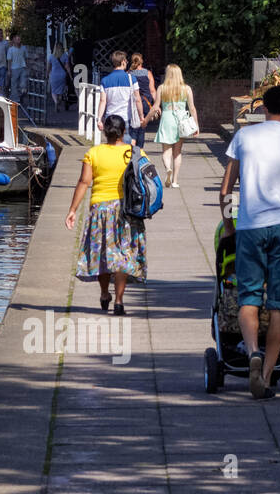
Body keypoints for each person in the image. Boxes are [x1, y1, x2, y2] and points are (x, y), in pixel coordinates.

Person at [220, 85, 280, 400]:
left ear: (262, 109)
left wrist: (229, 224)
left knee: (248, 295)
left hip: (250, 226)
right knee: (279, 302)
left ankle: (252, 353)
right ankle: (266, 374)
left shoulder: (245, 137)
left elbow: (225, 191)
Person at [65, 113, 146, 315]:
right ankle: (119, 301)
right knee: (122, 255)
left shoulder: (94, 153)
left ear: (104, 131)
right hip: (127, 210)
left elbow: (84, 182)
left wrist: (73, 210)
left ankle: (104, 293)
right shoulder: (134, 152)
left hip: (100, 211)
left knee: (103, 255)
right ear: (124, 132)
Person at [153, 64, 199, 188]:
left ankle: (168, 168)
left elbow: (156, 106)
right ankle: (175, 181)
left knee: (166, 151)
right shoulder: (186, 89)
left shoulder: (162, 88)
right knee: (177, 152)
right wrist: (196, 125)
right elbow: (192, 108)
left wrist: (149, 117)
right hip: (181, 120)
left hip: (167, 119)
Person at [98, 50, 143, 136]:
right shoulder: (131, 79)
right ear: (122, 62)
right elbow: (137, 100)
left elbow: (103, 101)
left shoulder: (105, 80)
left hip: (110, 118)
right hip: (125, 117)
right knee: (125, 145)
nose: (127, 62)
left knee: (111, 145)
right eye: (126, 60)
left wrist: (99, 119)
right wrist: (141, 116)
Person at [128, 53, 157, 149]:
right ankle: (139, 150)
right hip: (145, 103)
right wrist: (156, 104)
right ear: (142, 61)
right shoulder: (148, 73)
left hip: (133, 102)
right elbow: (152, 90)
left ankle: (131, 150)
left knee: (133, 127)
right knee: (142, 127)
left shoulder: (129, 74)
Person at [48, 41, 72, 111]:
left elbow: (48, 67)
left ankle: (56, 102)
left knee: (53, 91)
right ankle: (60, 99)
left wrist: (47, 75)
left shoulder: (51, 57)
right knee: (61, 91)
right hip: (62, 75)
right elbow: (67, 67)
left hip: (54, 75)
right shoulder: (65, 56)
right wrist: (70, 76)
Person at [7, 34, 28, 104]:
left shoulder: (23, 48)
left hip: (22, 67)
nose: (19, 40)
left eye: (19, 39)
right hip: (14, 68)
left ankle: (22, 93)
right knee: (14, 85)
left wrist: (27, 66)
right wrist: (9, 70)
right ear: (14, 40)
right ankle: (16, 99)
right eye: (17, 39)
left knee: (23, 83)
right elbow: (9, 60)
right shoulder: (11, 49)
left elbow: (26, 57)